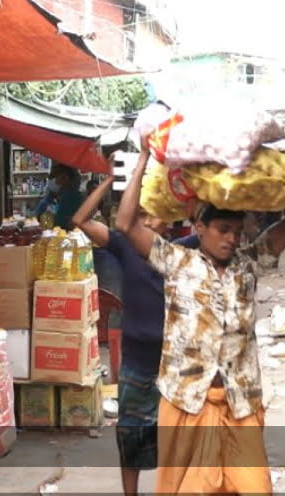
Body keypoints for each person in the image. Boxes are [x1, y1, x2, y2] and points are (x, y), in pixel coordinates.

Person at [116, 133, 285, 495]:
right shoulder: (177, 262)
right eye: (223, 230)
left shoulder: (250, 261)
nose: (232, 239)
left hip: (240, 402)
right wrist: (142, 158)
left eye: (236, 231)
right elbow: (126, 224)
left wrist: (265, 169)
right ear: (199, 228)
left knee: (255, 488)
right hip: (188, 401)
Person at [71, 166, 168, 496]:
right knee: (131, 437)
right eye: (142, 216)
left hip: (175, 365)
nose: (149, 223)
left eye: (155, 216)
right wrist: (111, 181)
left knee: (178, 441)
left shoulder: (185, 250)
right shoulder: (125, 247)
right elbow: (81, 220)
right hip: (136, 365)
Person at [35, 164, 83, 230]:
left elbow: (60, 223)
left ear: (65, 178)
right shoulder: (57, 197)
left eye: (55, 178)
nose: (53, 181)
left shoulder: (69, 197)